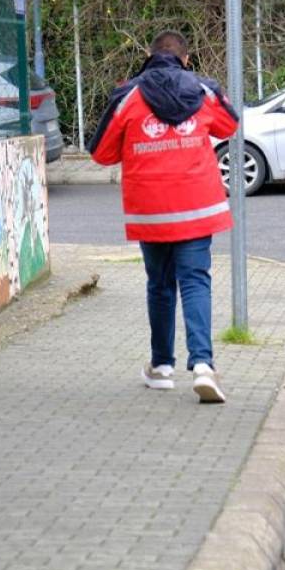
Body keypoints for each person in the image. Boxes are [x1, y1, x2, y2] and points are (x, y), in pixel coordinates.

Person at [88, 30, 239, 403]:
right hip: (197, 206)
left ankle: (162, 367)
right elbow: (230, 125)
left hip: (151, 210)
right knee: (195, 282)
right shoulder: (203, 90)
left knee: (159, 284)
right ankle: (203, 366)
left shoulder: (129, 95)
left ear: (148, 56)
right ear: (186, 59)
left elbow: (101, 152)